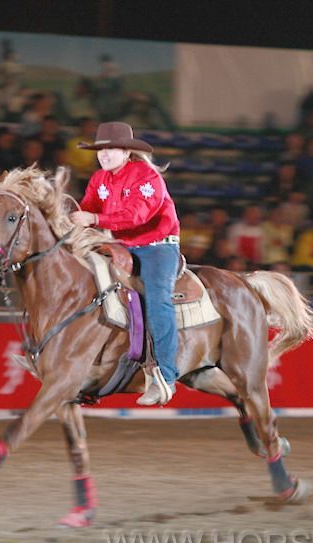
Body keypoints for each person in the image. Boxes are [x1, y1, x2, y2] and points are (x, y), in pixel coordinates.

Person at [70, 122, 180, 406]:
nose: (104, 155)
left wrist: (94, 220)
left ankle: (165, 377)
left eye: (111, 149)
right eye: (100, 150)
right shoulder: (99, 179)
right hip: (121, 246)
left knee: (158, 301)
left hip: (157, 247)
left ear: (127, 151)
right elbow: (87, 207)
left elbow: (136, 216)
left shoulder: (147, 176)